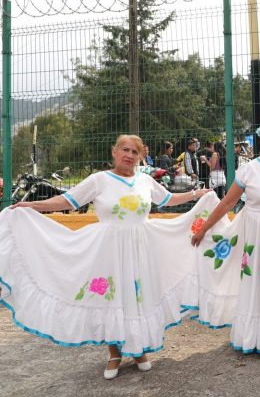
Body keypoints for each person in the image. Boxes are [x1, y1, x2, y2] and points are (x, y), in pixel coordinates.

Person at [0, 135, 214, 379]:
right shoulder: (99, 180)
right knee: (113, 297)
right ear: (114, 152)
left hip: (141, 248)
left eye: (134, 152)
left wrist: (198, 195)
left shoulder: (145, 181)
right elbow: (67, 201)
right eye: (125, 150)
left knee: (137, 296)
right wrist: (32, 206)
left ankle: (138, 350)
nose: (129, 155)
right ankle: (114, 353)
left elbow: (169, 199)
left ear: (140, 156)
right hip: (108, 249)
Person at [191, 122, 260, 356]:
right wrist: (204, 228)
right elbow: (228, 202)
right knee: (259, 282)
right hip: (256, 232)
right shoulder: (249, 170)